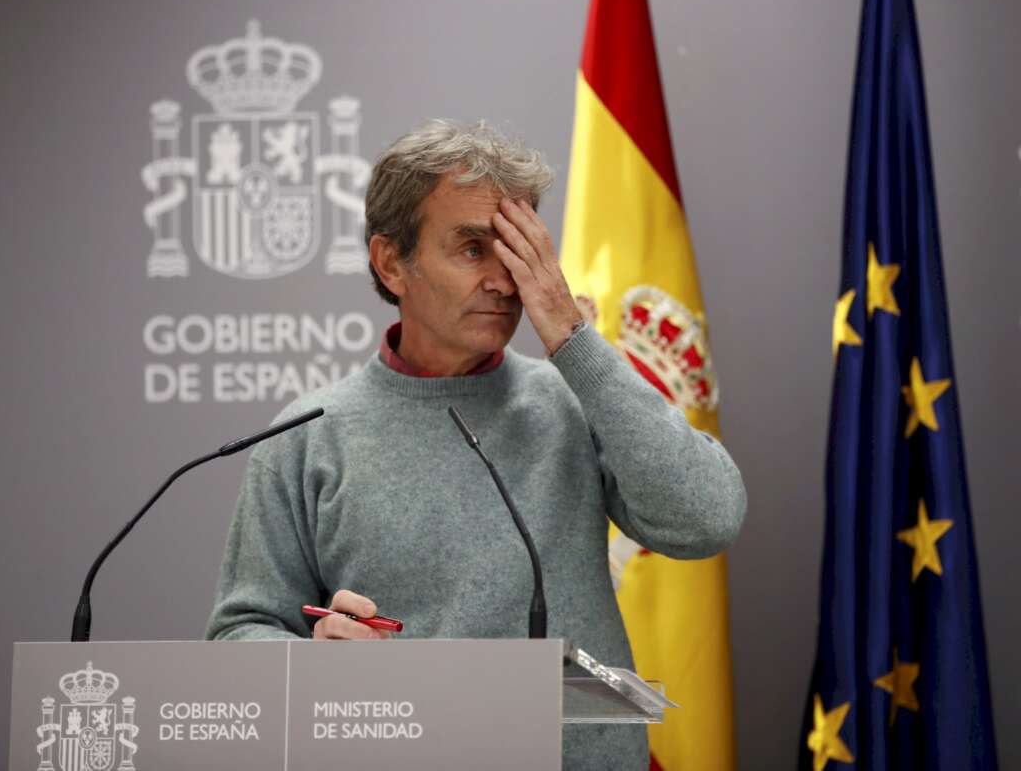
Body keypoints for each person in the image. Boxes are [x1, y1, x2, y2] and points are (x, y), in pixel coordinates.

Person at [206, 120, 747, 769]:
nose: (503, 280)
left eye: (517, 251)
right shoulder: (307, 433)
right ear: (390, 261)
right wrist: (314, 659)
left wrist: (574, 339)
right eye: (472, 249)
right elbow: (240, 633)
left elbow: (709, 517)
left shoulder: (574, 398)